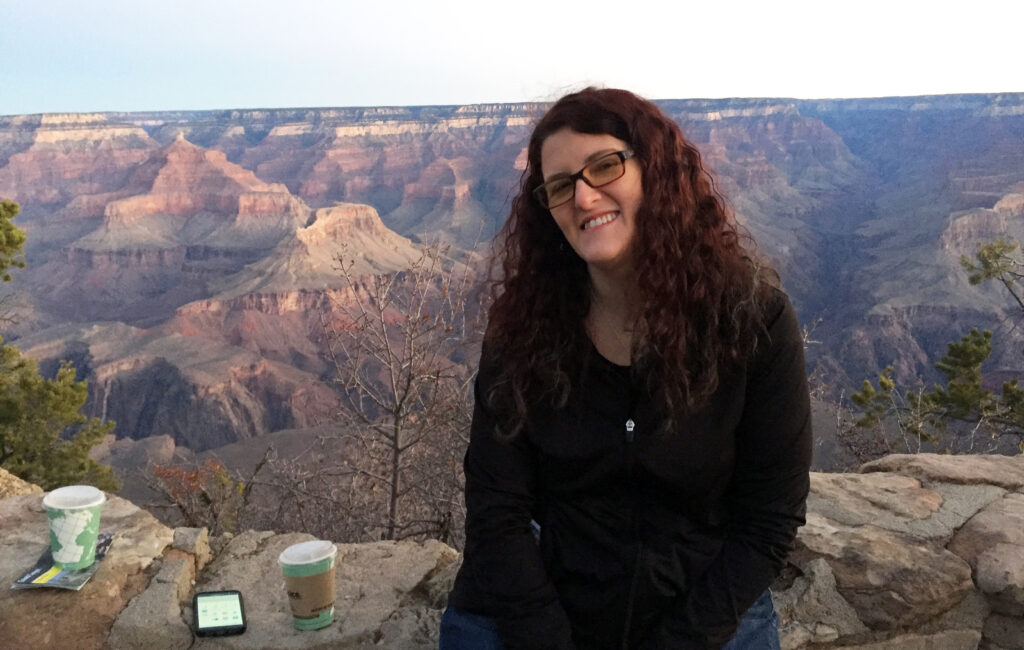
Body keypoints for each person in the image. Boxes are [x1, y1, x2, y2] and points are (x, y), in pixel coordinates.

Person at [441, 88, 812, 650]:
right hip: (533, 600)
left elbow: (768, 521)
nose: (585, 198)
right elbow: (497, 511)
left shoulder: (749, 321)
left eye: (605, 166)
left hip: (700, 607)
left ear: (655, 171)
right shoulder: (523, 329)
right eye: (561, 185)